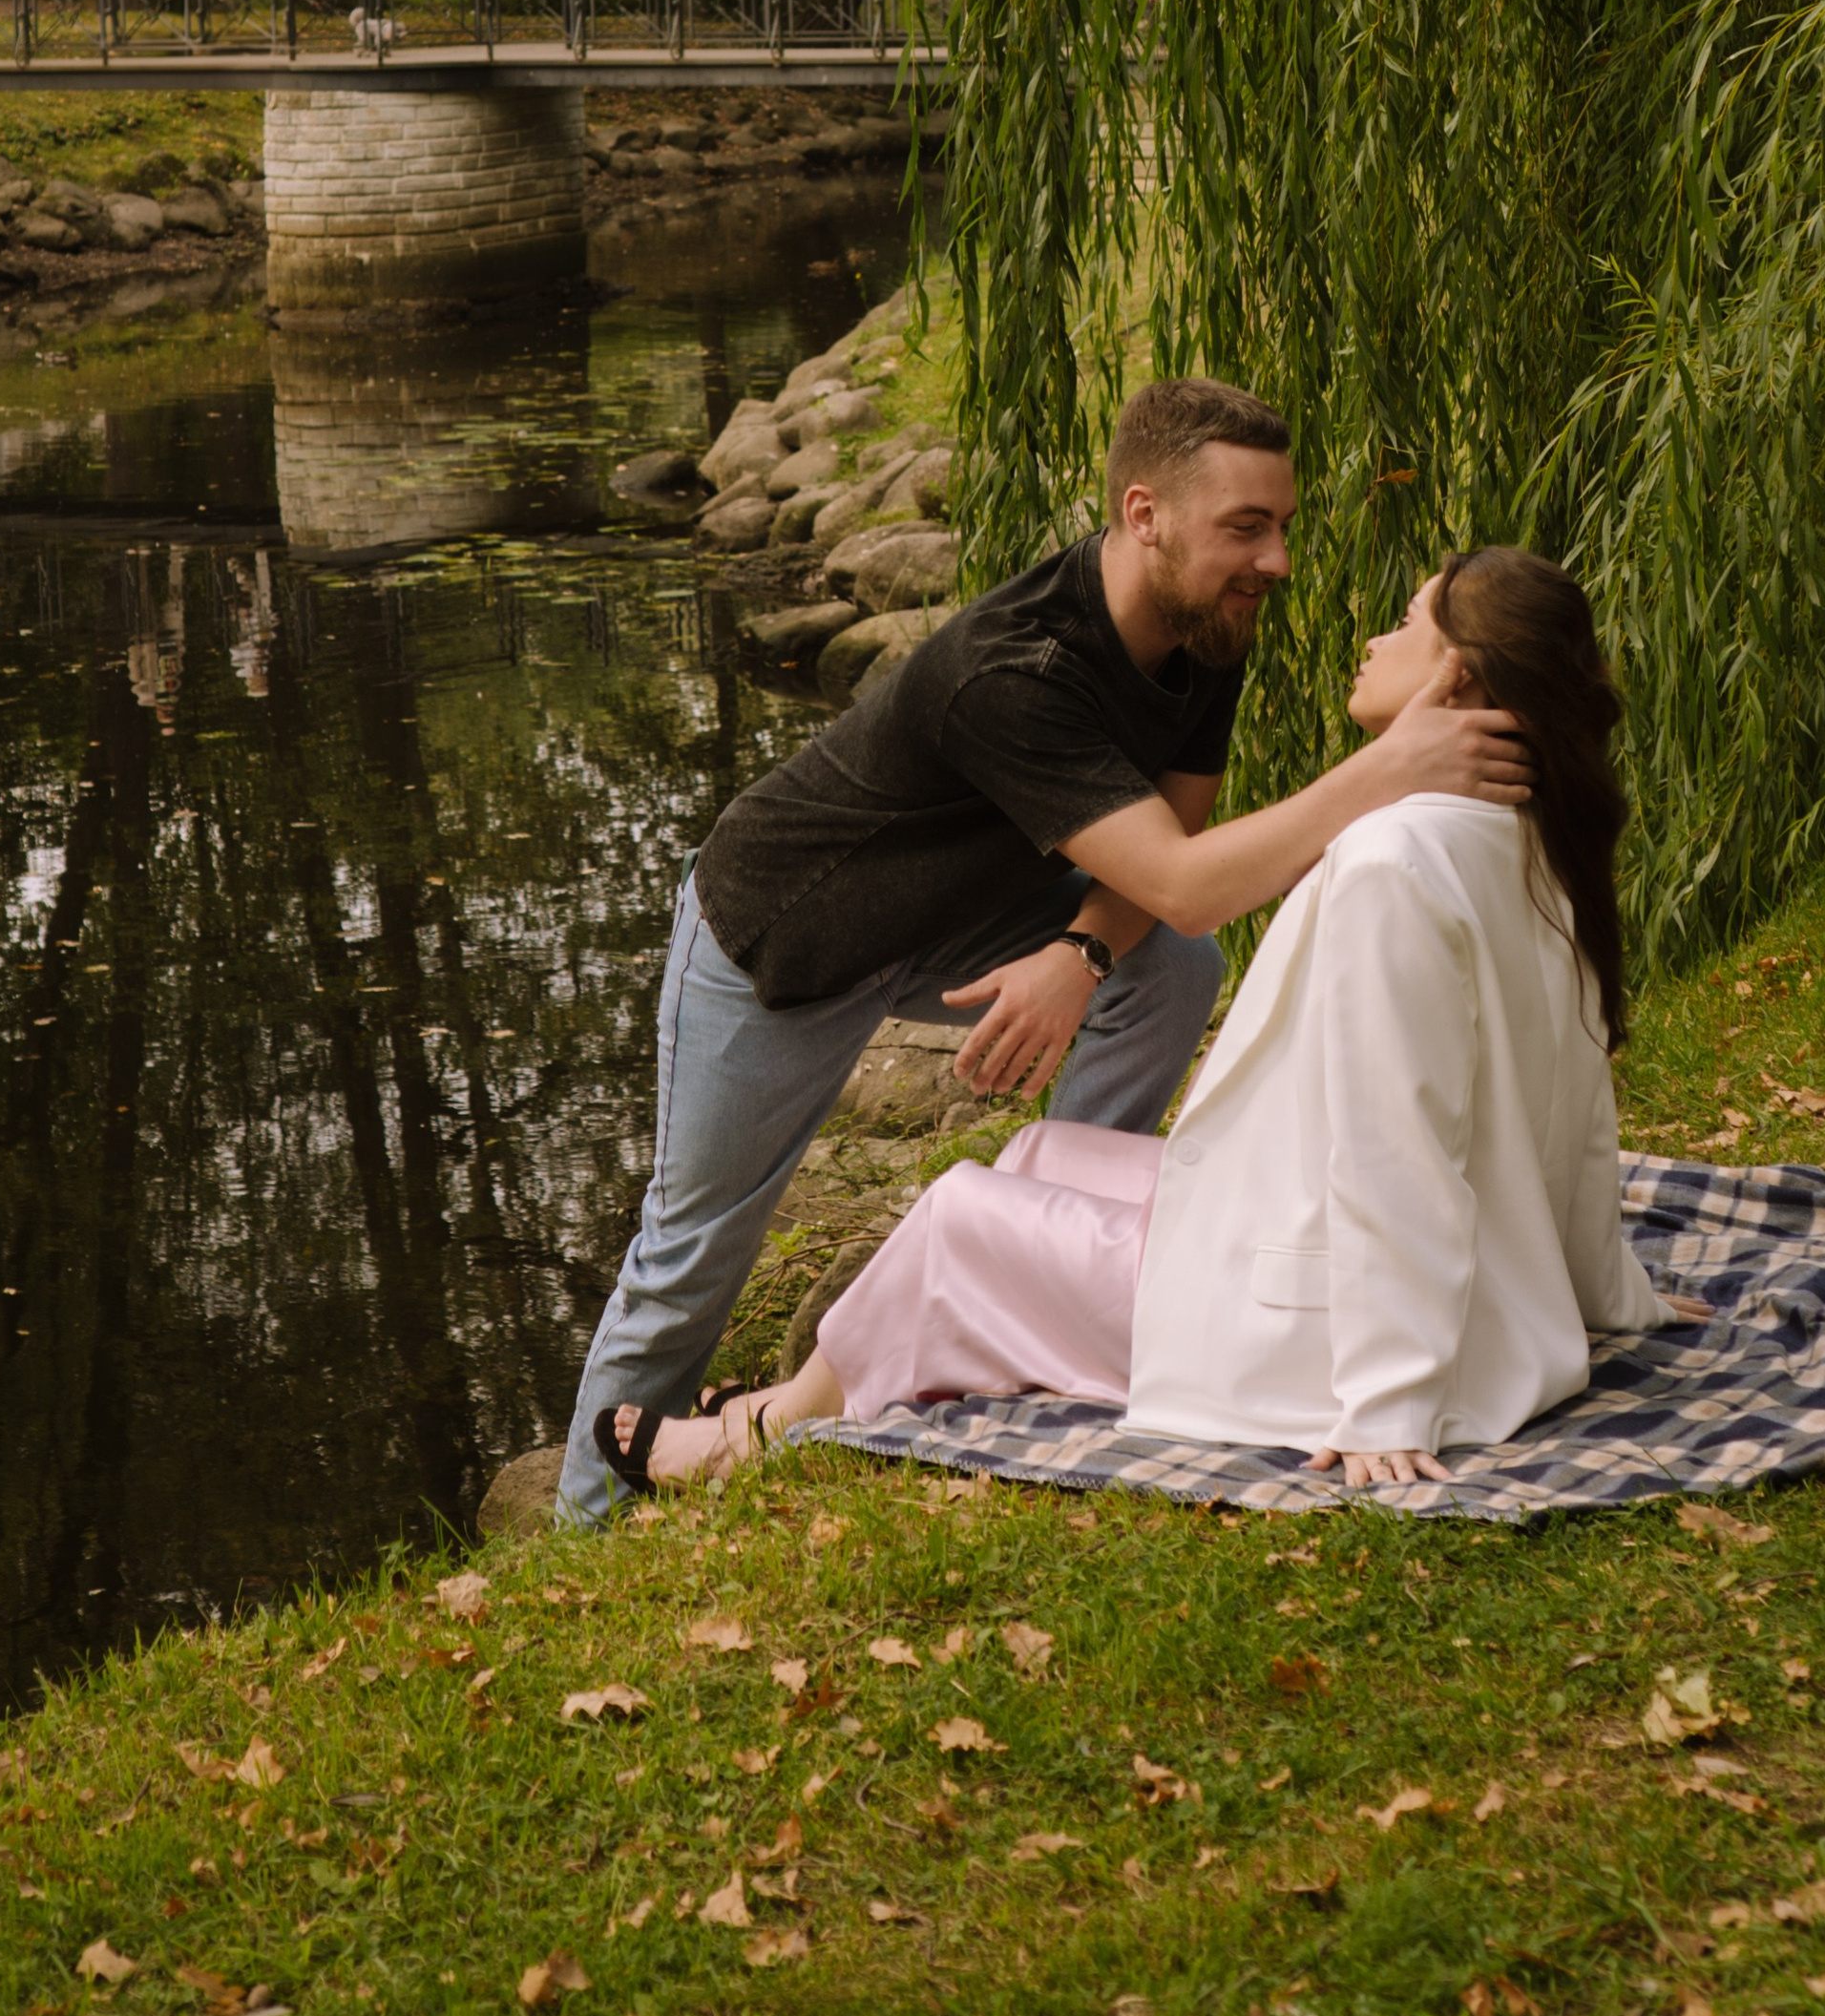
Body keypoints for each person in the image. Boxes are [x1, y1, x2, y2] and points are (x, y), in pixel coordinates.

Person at [563, 380, 1532, 1521]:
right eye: (1244, 528)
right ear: (1143, 515)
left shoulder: (1202, 627)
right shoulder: (1013, 670)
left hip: (962, 920)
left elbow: (1168, 861)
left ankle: (1051, 1276)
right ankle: (588, 1529)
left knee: (1169, 969)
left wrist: (1075, 953)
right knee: (689, 1264)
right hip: (782, 945)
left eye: (1279, 526)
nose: (1274, 560)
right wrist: (1382, 772)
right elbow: (1181, 882)